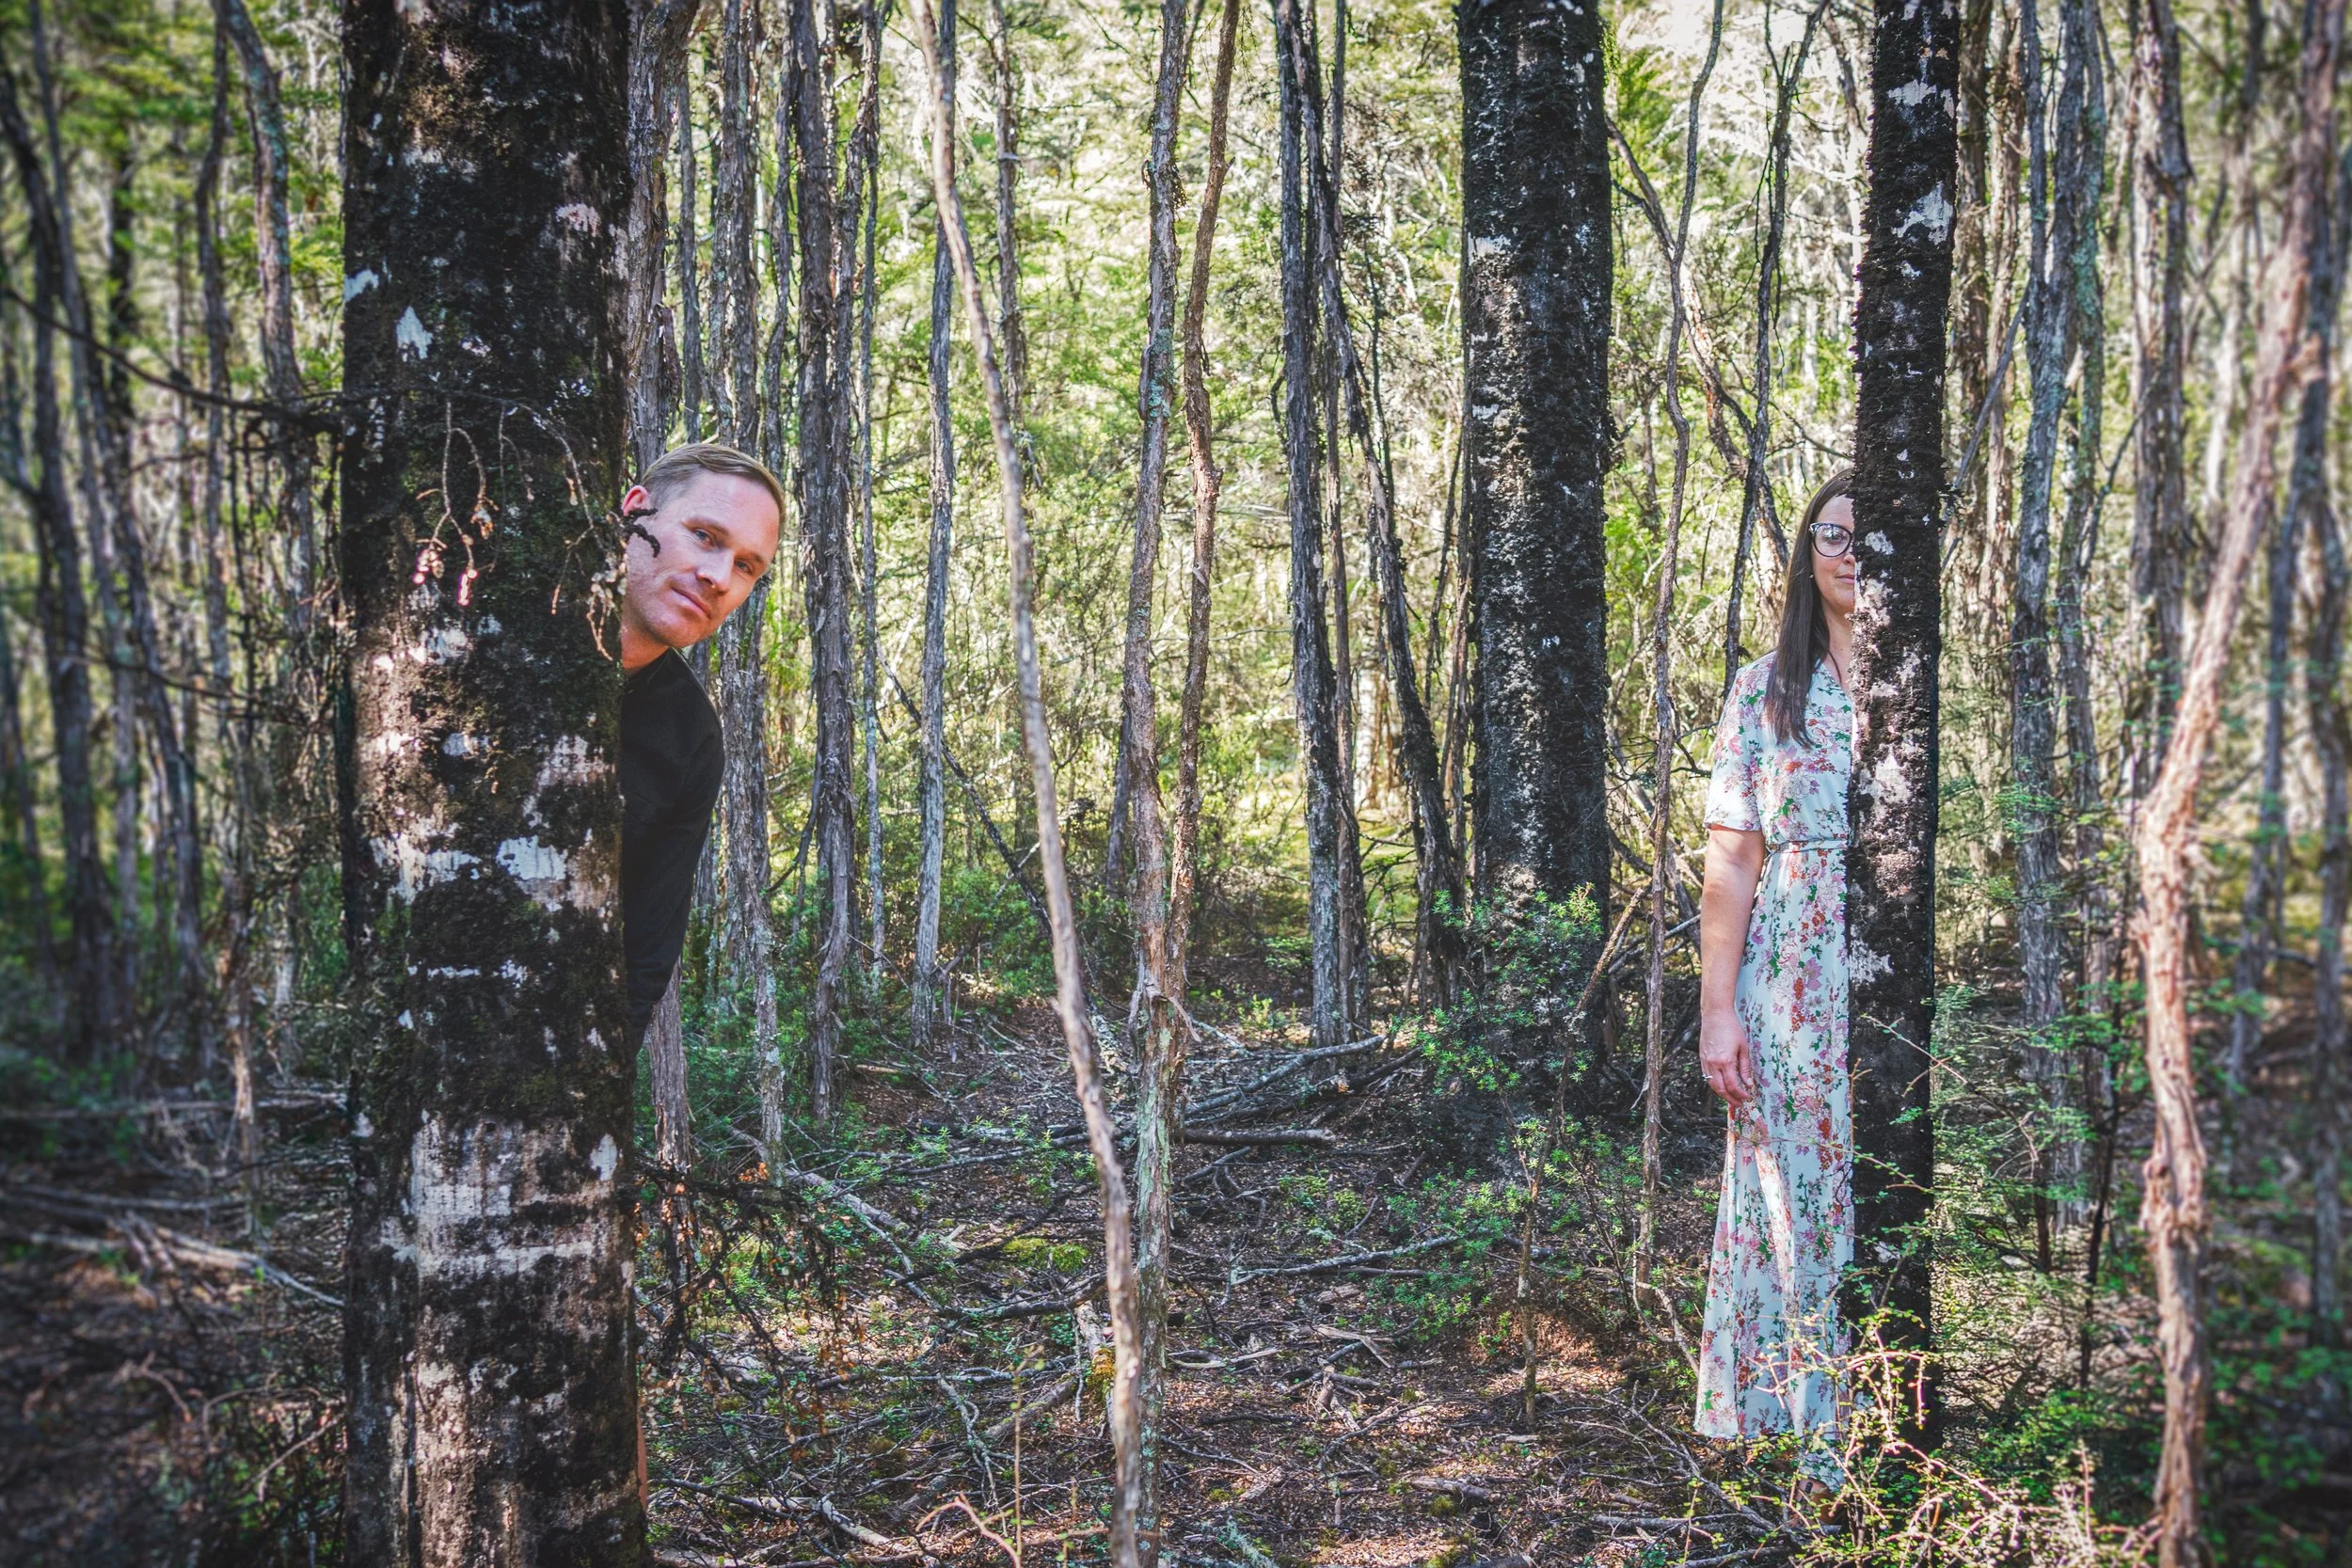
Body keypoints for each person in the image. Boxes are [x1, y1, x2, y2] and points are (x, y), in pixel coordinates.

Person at [1692, 468, 1858, 1496]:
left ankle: (1881, 1410)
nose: (1851, 555)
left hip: (1882, 975)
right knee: (1790, 1191)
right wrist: (1717, 1010)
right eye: (1834, 534)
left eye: (1870, 541)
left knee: (1865, 1188)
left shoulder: (1913, 683)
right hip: (1791, 969)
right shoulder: (1766, 686)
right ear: (1806, 551)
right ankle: (1803, 1434)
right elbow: (1731, 861)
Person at [618, 443, 785, 1049]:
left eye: (746, 567)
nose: (718, 579)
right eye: (706, 536)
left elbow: (646, 955)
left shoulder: (691, 739)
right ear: (636, 511)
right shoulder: (495, 633)